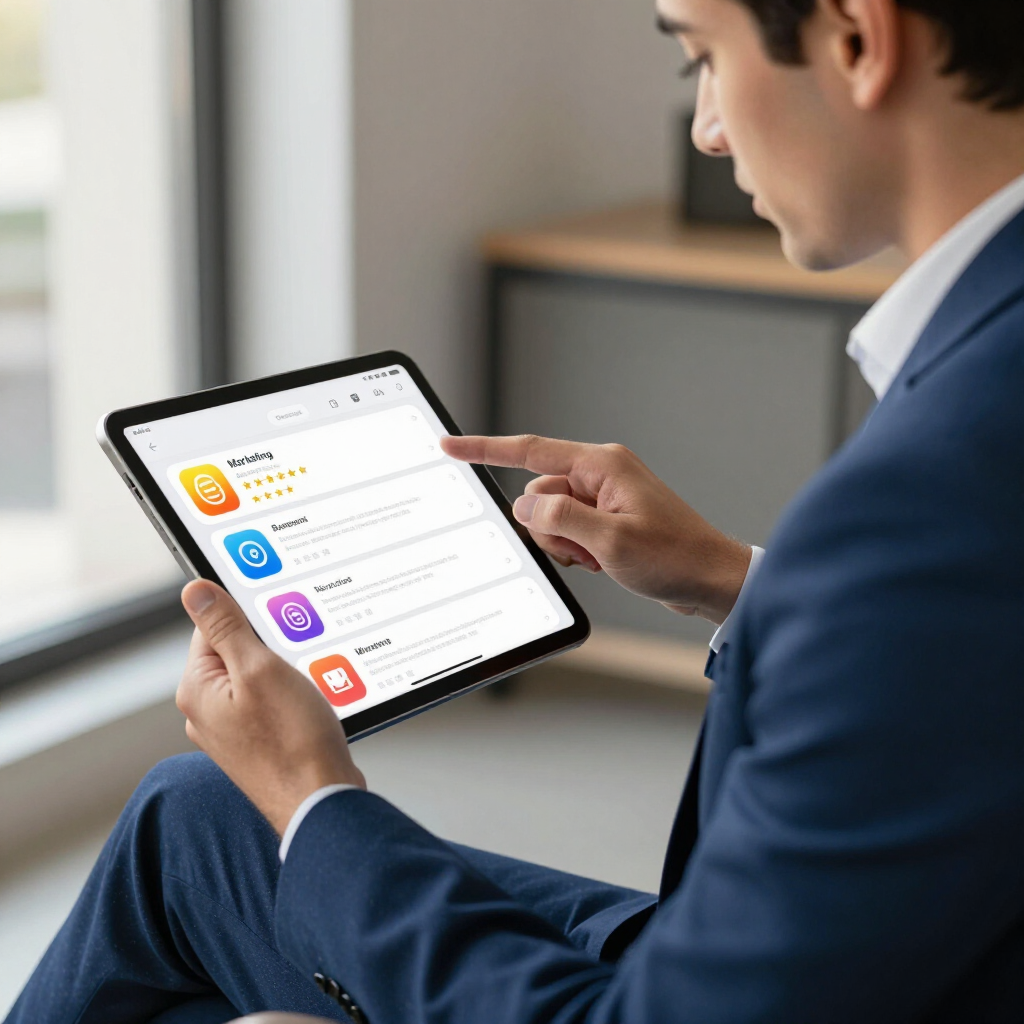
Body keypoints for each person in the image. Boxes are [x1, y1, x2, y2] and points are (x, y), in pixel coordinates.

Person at [8, 0, 1024, 1020]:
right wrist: (736, 581)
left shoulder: (933, 494)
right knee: (189, 815)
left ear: (857, 38)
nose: (708, 130)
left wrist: (312, 790)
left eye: (702, 59)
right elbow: (952, 677)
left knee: (240, 843)